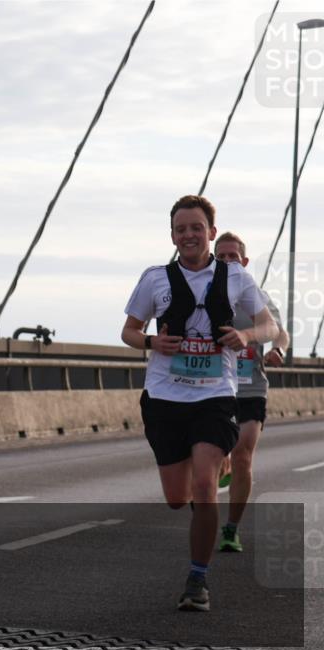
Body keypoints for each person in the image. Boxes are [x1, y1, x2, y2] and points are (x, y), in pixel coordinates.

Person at [121, 195, 278, 612]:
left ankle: (197, 580)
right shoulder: (155, 279)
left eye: (196, 228)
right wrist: (152, 341)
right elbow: (129, 331)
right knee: (178, 497)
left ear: (211, 232)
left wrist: (246, 336)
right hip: (165, 396)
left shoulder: (236, 279)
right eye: (180, 229)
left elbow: (269, 325)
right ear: (173, 236)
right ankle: (207, 462)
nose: (188, 235)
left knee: (206, 487)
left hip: (215, 394)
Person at [212, 231, 289, 552]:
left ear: (244, 262)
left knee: (243, 455)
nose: (228, 261)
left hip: (251, 388)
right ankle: (221, 462)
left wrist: (278, 351)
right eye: (221, 256)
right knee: (215, 455)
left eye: (234, 256)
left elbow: (280, 333)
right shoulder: (203, 294)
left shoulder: (258, 297)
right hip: (213, 387)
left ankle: (231, 529)